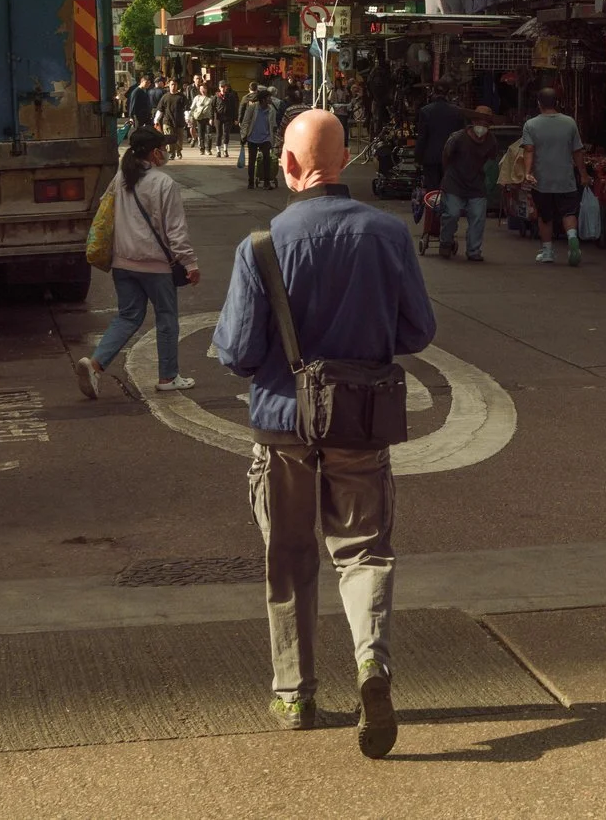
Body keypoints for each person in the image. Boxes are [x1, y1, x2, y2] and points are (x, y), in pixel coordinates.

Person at [211, 108, 436, 756]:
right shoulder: (388, 235)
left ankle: (296, 693)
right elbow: (418, 331)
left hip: (282, 424)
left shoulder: (260, 246)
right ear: (347, 161)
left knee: (289, 555)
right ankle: (372, 663)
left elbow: (236, 351)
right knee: (364, 550)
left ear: (287, 164)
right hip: (360, 418)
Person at [75, 126, 200, 398]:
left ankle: (95, 365)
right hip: (155, 266)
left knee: (128, 316)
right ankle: (168, 376)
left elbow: (105, 210)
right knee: (167, 317)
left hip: (122, 263)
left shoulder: (120, 178)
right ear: (155, 153)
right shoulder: (163, 183)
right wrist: (190, 263)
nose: (165, 152)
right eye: (163, 148)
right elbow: (176, 231)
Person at [519, 87, 586, 265]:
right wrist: (584, 174)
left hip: (542, 181)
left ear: (539, 103)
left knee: (545, 216)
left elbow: (529, 150)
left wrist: (527, 173)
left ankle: (547, 252)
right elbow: (577, 151)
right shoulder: (570, 122)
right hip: (566, 179)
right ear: (557, 103)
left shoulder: (530, 125)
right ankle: (572, 238)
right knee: (569, 212)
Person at [437, 105, 503, 260]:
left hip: (476, 184)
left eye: (486, 123)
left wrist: (488, 181)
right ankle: (445, 242)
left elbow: (491, 161)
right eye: (480, 122)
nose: (482, 126)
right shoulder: (458, 137)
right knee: (451, 214)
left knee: (478, 217)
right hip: (454, 182)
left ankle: (474, 251)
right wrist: (447, 176)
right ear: (473, 121)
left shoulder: (491, 141)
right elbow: (446, 156)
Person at [414, 88, 467, 201]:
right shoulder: (456, 111)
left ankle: (433, 215)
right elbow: (462, 136)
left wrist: (418, 158)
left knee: (432, 190)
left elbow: (422, 137)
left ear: (434, 94)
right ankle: (446, 214)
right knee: (449, 189)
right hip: (451, 156)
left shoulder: (426, 110)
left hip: (431, 157)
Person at [243, 88, 279, 188]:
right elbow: (245, 122)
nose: (270, 99)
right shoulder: (253, 108)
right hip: (252, 138)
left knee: (267, 159)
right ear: (263, 99)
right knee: (252, 160)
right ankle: (250, 182)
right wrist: (244, 135)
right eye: (268, 98)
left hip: (266, 138)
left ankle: (266, 182)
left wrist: (275, 137)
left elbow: (273, 124)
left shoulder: (271, 110)